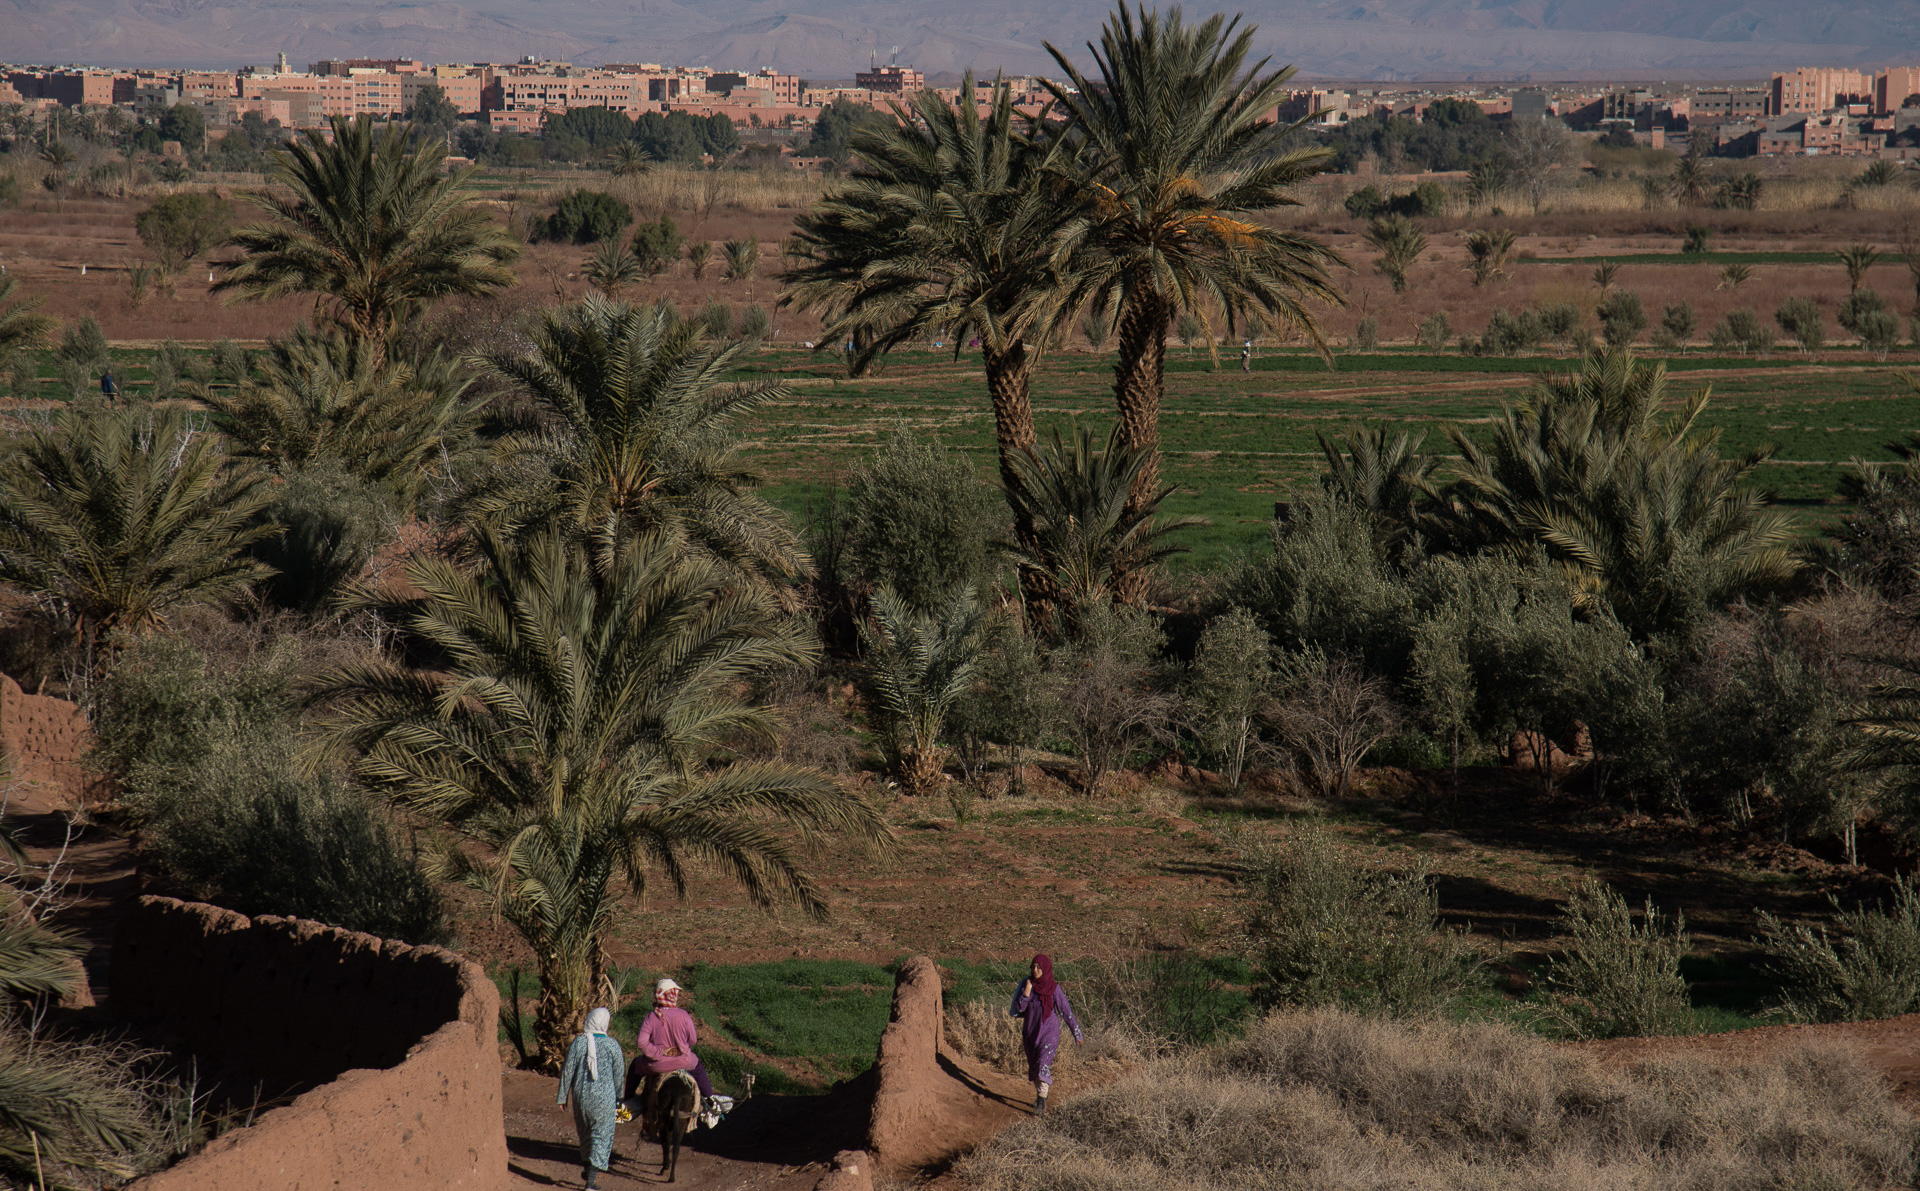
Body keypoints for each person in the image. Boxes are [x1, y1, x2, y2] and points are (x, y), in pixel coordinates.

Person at [557, 1006, 624, 1189]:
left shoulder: (579, 1043)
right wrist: (619, 1097)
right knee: (601, 1137)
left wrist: (562, 1097)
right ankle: (591, 1182)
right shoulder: (612, 1045)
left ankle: (588, 1168)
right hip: (605, 1100)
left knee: (585, 1134)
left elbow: (567, 1070)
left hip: (582, 1098)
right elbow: (619, 1075)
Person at [1009, 954, 1082, 1116]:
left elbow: (1066, 1011)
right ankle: (1040, 1093)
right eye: (1033, 967)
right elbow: (1019, 1009)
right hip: (1030, 1032)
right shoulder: (1028, 985)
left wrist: (1077, 1034)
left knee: (1043, 1064)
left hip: (1050, 1032)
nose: (1035, 970)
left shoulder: (1054, 988)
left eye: (1038, 967)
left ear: (1046, 969)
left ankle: (1041, 1101)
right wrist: (1026, 992)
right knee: (1034, 1066)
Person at [628, 977, 715, 1108]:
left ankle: (628, 1101)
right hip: (683, 1061)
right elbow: (693, 1040)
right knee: (698, 1066)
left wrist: (658, 1052)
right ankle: (710, 1099)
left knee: (635, 1065)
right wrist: (680, 1048)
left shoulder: (651, 1016)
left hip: (656, 1065)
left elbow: (641, 1043)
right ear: (673, 995)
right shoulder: (684, 1015)